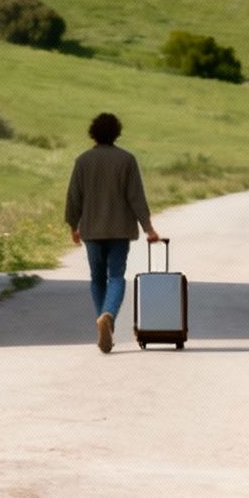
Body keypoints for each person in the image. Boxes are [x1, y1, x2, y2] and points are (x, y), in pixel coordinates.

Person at [64, 112, 159, 353]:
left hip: (92, 231)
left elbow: (74, 197)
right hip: (119, 230)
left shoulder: (83, 161)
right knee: (116, 276)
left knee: (97, 278)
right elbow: (136, 197)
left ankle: (103, 320)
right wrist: (148, 228)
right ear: (117, 133)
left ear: (93, 133)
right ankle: (108, 316)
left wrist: (73, 225)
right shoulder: (127, 160)